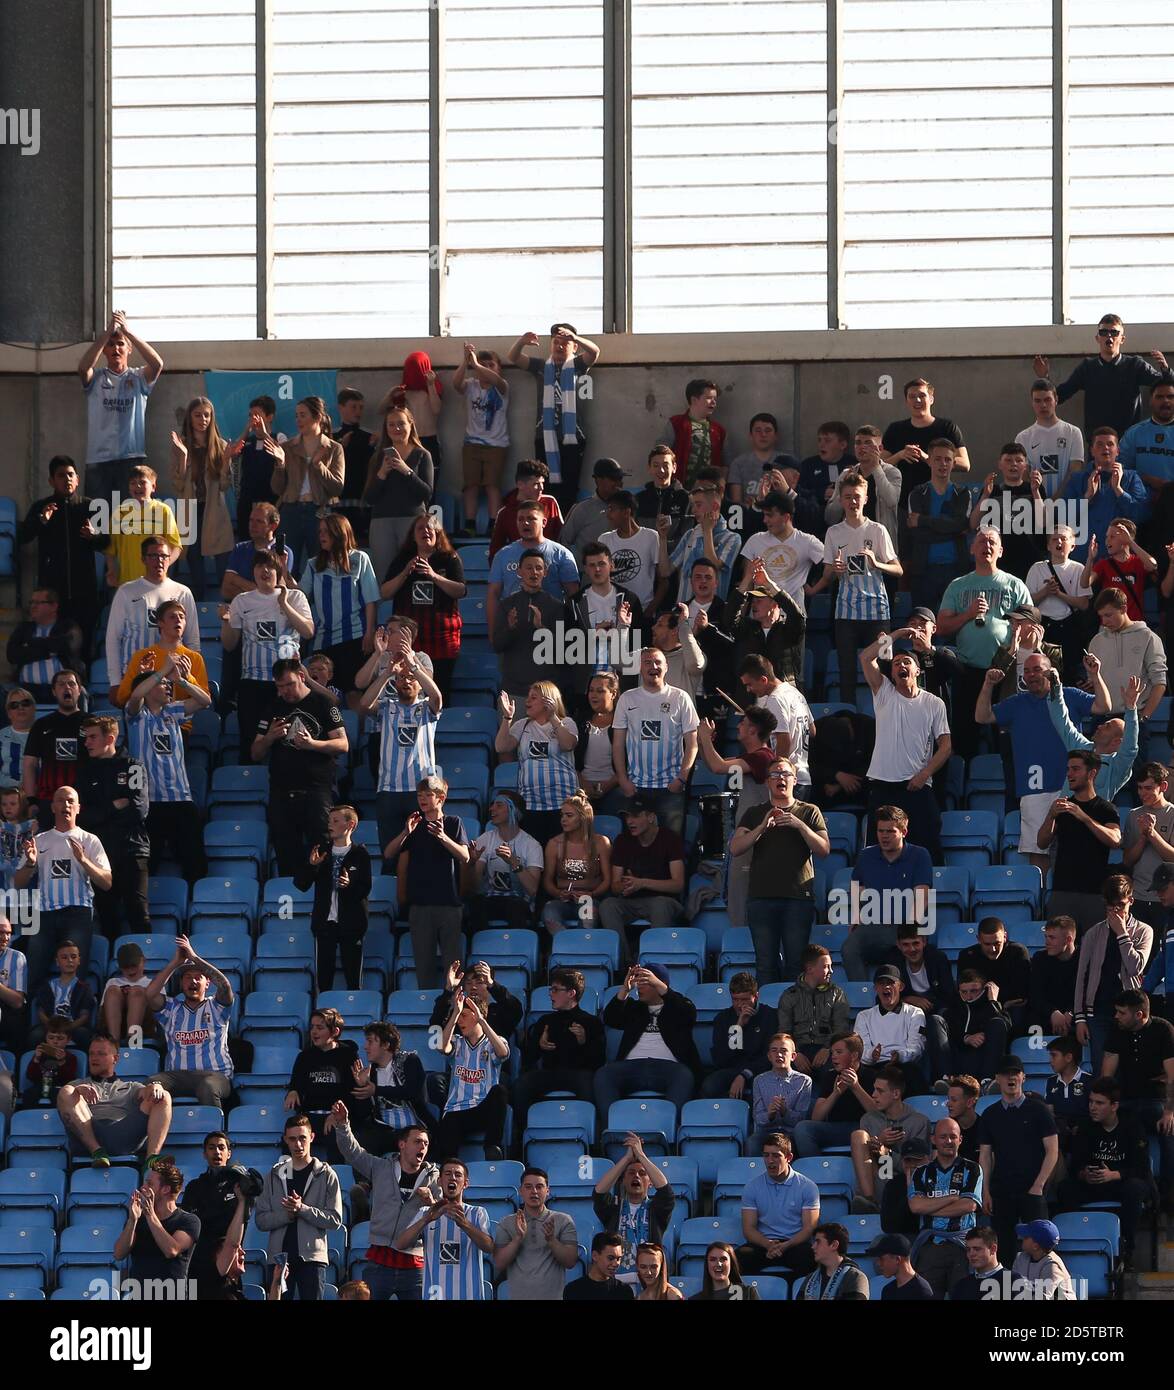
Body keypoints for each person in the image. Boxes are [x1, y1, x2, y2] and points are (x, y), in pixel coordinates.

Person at [731, 756, 829, 984]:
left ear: (795, 780)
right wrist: (762, 828)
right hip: (761, 898)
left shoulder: (809, 811)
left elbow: (824, 849)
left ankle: (796, 1017)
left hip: (797, 899)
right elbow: (735, 848)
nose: (780, 779)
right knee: (765, 964)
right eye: (774, 775)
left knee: (797, 964)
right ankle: (767, 1015)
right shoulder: (755, 812)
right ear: (767, 782)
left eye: (785, 774)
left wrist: (799, 825)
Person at [936, 528, 1033, 760]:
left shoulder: (1015, 584)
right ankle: (965, 787)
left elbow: (1032, 624)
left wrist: (1021, 631)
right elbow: (941, 628)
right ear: (972, 548)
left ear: (1000, 551)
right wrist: (968, 614)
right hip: (968, 670)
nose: (986, 546)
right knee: (965, 734)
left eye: (992, 542)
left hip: (1005, 670)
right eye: (981, 541)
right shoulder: (958, 585)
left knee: (1005, 735)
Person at [805, 470, 901, 704]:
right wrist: (834, 571)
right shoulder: (834, 532)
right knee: (846, 671)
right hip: (845, 613)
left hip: (878, 612)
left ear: (866, 498)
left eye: (857, 496)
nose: (852, 501)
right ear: (841, 499)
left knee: (885, 665)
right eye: (847, 497)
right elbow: (828, 574)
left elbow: (898, 569)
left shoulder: (877, 530)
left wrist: (876, 563)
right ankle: (849, 721)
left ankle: (886, 714)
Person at [253, 658, 348, 877]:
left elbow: (343, 744)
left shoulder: (323, 703)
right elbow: (256, 752)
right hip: (281, 792)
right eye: (279, 686)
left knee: (323, 850)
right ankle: (292, 902)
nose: (285, 691)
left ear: (301, 677)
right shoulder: (274, 707)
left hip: (316, 790)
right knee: (287, 854)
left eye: (289, 684)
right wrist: (269, 738)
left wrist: (312, 744)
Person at [331, 1109, 438, 1301]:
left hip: (415, 1268)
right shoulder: (381, 1167)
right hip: (379, 1263)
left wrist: (432, 1202)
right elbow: (353, 1152)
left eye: (426, 1143)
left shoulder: (434, 1179)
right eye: (417, 1141)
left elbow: (443, 1215)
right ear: (402, 1145)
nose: (423, 1146)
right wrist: (342, 1125)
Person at [12, 785, 111, 987]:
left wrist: (83, 860)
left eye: (70, 801)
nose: (66, 804)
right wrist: (31, 863)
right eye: (60, 800)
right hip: (45, 914)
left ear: (78, 808)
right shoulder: (39, 840)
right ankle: (27, 1016)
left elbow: (107, 883)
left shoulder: (90, 840)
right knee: (32, 974)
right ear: (52, 807)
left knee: (75, 976)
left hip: (78, 913)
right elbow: (17, 883)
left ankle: (72, 1018)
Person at [221, 548, 315, 755]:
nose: (265, 571)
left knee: (290, 746)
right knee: (251, 743)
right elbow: (229, 645)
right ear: (253, 571)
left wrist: (284, 604)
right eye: (259, 566)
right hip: (252, 683)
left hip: (287, 683)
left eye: (270, 566)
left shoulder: (296, 597)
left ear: (279, 570)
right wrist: (226, 622)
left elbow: (308, 632)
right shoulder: (242, 600)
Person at [124, 661, 210, 886]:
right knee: (147, 866)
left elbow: (205, 701)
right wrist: (163, 669)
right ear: (149, 688)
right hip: (150, 803)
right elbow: (135, 696)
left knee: (194, 863)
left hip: (181, 799)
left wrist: (179, 679)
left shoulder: (174, 711)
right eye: (162, 684)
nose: (168, 687)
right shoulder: (136, 717)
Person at [1058, 1077, 1153, 1262]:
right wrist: (1084, 1174)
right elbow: (1076, 1164)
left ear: (1114, 1106)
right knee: (1065, 1189)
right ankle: (1078, 1241)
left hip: (1121, 1183)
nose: (1093, 1107)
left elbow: (1141, 1167)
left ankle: (1126, 1247)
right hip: (1094, 1184)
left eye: (1099, 1103)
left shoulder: (1132, 1126)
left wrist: (1114, 1175)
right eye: (1091, 1102)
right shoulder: (1085, 1127)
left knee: (1135, 1189)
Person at [388, 776, 471, 990]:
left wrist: (443, 837)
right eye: (419, 795)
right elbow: (389, 853)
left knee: (453, 964)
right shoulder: (414, 825)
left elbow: (465, 856)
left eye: (428, 795)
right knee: (423, 965)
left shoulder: (453, 822)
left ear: (441, 798)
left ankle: (455, 1007)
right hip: (420, 905)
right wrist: (406, 832)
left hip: (449, 904)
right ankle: (427, 1009)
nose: (422, 799)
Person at [508, 323, 601, 510]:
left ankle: (565, 526)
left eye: (565, 342)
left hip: (573, 436)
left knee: (569, 487)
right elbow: (514, 357)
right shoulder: (542, 367)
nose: (559, 346)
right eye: (556, 342)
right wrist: (521, 342)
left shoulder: (577, 365)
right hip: (544, 436)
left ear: (574, 347)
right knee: (545, 484)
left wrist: (576, 338)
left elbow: (594, 352)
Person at [1033, 312, 1169, 438]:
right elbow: (1061, 395)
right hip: (1097, 443)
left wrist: (1166, 370)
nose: (1109, 337)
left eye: (1114, 333)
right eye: (1104, 332)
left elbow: (1166, 387)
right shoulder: (1087, 368)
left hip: (1129, 441)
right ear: (1097, 338)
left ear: (1122, 339)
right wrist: (1045, 378)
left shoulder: (1135, 365)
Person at [254, 1113, 344, 1301]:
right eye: (292, 1139)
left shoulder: (327, 1174)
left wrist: (302, 1209)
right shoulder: (273, 1175)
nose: (298, 1144)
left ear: (312, 1137)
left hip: (312, 1260)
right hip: (279, 1259)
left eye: (302, 1138)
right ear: (286, 1140)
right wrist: (287, 1215)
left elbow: (335, 1219)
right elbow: (261, 1220)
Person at [76, 310, 164, 502]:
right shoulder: (97, 378)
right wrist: (107, 333)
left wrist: (127, 331)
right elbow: (83, 368)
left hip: (130, 459)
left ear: (129, 349)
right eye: (111, 345)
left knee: (129, 517)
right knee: (97, 521)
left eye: (121, 344)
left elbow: (157, 364)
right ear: (104, 350)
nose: (116, 349)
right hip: (99, 461)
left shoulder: (139, 377)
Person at [611, 646, 699, 837]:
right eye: (648, 662)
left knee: (672, 844)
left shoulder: (681, 698)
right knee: (636, 845)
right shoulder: (627, 699)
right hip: (636, 786)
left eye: (658, 662)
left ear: (666, 667)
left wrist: (681, 779)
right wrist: (623, 780)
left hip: (671, 786)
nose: (653, 666)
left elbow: (692, 744)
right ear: (640, 668)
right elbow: (617, 745)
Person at [76, 714, 150, 938]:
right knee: (107, 918)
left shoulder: (132, 767)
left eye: (92, 737)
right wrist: (114, 806)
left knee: (138, 913)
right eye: (86, 737)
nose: (86, 742)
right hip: (100, 855)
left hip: (131, 850)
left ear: (110, 738)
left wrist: (101, 813)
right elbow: (82, 817)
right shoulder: (85, 771)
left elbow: (138, 810)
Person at [977, 1055, 1059, 1257]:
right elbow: (986, 1156)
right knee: (1002, 1248)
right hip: (1002, 1190)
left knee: (1041, 1246)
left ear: (1024, 1077)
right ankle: (1007, 1288)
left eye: (1015, 1073)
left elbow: (1052, 1150)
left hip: (1033, 1189)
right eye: (1006, 1074)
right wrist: (985, 1191)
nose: (1010, 1078)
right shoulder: (989, 1114)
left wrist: (1039, 1185)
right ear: (997, 1078)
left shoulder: (1039, 1110)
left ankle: (1042, 1288)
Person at [594, 963, 699, 1117]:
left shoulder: (677, 1007)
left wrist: (659, 984)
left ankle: (669, 1128)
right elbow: (610, 1019)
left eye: (645, 982)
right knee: (603, 1075)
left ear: (660, 984)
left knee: (684, 1075)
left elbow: (689, 1014)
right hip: (631, 1067)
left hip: (668, 1068)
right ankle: (613, 1129)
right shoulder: (634, 1008)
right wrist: (624, 990)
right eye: (638, 983)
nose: (639, 988)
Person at [380, 514, 466, 701]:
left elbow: (460, 590)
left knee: (439, 691)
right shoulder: (403, 559)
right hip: (410, 639)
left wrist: (434, 576)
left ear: (437, 534)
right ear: (413, 535)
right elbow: (385, 592)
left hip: (441, 639)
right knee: (409, 688)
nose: (425, 531)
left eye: (430, 528)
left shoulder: (449, 558)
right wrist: (404, 573)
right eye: (420, 528)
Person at [842, 805, 934, 980]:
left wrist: (911, 927)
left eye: (890, 831)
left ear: (904, 832)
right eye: (880, 831)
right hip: (873, 924)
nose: (884, 836)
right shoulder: (866, 855)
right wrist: (856, 915)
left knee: (902, 950)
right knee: (849, 948)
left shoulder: (920, 855)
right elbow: (858, 886)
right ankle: (862, 995)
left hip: (903, 924)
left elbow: (922, 892)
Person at [1073, 878, 1154, 1075]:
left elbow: (1136, 967)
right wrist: (1080, 1018)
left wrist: (1122, 933)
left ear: (1131, 901)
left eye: (1121, 905)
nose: (1116, 911)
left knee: (1131, 1067)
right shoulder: (1094, 933)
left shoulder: (1144, 931)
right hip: (1099, 1011)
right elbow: (1081, 976)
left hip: (1130, 1011)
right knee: (1102, 1069)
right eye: (1111, 906)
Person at [1100, 990, 1174, 1205]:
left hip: (1157, 1100)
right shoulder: (1117, 1030)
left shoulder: (1164, 1030)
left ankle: (1168, 1196)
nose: (1116, 1016)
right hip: (1128, 1101)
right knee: (1127, 1136)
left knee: (1169, 1133)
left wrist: (1170, 1112)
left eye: (1122, 1013)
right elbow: (1107, 1076)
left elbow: (1172, 1077)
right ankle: (1146, 1193)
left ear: (1139, 1015)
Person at [57, 1032, 172, 1169]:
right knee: (66, 1091)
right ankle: (97, 1151)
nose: (94, 1058)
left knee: (162, 1096)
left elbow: (148, 1092)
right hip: (90, 1135)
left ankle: (151, 1160)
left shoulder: (130, 1086)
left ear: (115, 1058)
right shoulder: (79, 1084)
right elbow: (66, 1097)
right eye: (92, 1053)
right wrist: (78, 1091)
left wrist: (156, 1085)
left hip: (122, 1134)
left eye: (101, 1054)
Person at [1038, 753, 1124, 933]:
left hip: (1094, 893)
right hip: (1062, 891)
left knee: (1094, 949)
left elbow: (1115, 840)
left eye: (1076, 769)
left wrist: (1084, 817)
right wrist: (1051, 816)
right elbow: (1041, 842)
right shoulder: (1063, 807)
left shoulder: (1105, 809)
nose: (1070, 774)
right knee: (1059, 947)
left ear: (1092, 774)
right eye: (1068, 769)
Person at [145, 934, 234, 1108]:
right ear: (181, 983)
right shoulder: (171, 1009)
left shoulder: (217, 1006)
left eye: (198, 977)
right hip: (177, 1076)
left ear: (207, 983)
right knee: (152, 1083)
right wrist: (175, 963)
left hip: (214, 1075)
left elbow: (225, 985)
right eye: (187, 977)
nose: (192, 981)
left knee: (207, 1087)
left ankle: (214, 1134)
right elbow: (149, 995)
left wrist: (193, 958)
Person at [514, 968, 606, 1133]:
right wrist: (538, 1045)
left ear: (571, 993)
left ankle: (592, 1137)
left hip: (579, 1073)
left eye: (555, 990)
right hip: (550, 1072)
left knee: (589, 1085)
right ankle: (522, 1136)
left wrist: (583, 1041)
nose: (550, 994)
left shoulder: (591, 1022)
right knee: (522, 1084)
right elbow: (529, 1058)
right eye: (551, 989)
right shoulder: (545, 1021)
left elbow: (598, 1061)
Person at [300, 513, 380, 700]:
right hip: (324, 640)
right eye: (320, 531)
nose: (321, 536)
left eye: (326, 531)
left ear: (340, 533)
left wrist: (369, 632)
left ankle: (355, 730)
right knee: (325, 698)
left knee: (353, 696)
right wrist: (284, 574)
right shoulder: (313, 564)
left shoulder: (360, 559)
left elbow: (370, 600)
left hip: (355, 638)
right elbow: (300, 595)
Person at [105, 539, 200, 697]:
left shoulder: (183, 592)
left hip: (172, 679)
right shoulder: (126, 591)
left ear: (170, 558)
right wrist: (115, 681)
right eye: (153, 555)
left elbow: (192, 640)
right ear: (143, 559)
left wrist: (191, 678)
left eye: (163, 556)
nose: (159, 560)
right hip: (136, 677)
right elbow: (113, 638)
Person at [293, 804, 371, 992]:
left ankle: (355, 1012)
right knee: (324, 978)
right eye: (329, 820)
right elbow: (301, 884)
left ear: (350, 824)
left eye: (336, 821)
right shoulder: (321, 850)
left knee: (353, 978)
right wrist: (312, 866)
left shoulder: (360, 853)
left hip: (352, 924)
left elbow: (364, 889)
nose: (330, 824)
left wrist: (349, 885)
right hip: (324, 923)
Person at [396, 1156, 494, 1301]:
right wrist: (427, 1219)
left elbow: (489, 1247)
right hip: (435, 1296)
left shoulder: (477, 1213)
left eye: (458, 1175)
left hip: (469, 1295)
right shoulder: (425, 1212)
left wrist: (464, 1224)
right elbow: (401, 1244)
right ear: (440, 1181)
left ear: (465, 1183)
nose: (452, 1178)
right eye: (447, 1174)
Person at [495, 682, 580, 846]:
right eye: (528, 697)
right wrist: (507, 718)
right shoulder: (523, 724)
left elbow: (568, 744)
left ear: (549, 700)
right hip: (532, 805)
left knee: (562, 853)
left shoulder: (566, 722)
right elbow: (501, 747)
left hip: (563, 805)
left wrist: (553, 717)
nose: (527, 701)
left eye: (533, 698)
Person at [908, 1117, 983, 1298]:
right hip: (930, 1245)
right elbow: (915, 1206)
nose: (948, 1141)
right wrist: (951, 1198)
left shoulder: (972, 1169)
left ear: (960, 1139)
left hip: (963, 1246)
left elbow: (969, 1205)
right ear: (933, 1140)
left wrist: (930, 1208)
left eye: (952, 1136)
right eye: (943, 1137)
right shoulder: (921, 1172)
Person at [272, 395, 345, 577]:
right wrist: (280, 465)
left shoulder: (334, 448)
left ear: (317, 417)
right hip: (290, 510)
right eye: (296, 416)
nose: (298, 420)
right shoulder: (288, 447)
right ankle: (286, 603)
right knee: (286, 566)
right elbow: (277, 489)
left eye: (303, 415)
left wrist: (318, 465)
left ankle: (316, 604)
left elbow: (337, 487)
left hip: (319, 512)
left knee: (320, 564)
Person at [170, 396, 234, 599]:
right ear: (189, 417)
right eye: (198, 415)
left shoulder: (220, 445)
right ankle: (198, 602)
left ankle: (227, 604)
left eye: (207, 415)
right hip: (189, 509)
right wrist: (183, 457)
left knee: (222, 555)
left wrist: (225, 463)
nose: (203, 419)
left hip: (213, 509)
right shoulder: (181, 445)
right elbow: (178, 485)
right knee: (193, 556)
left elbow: (224, 485)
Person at [179, 1132, 256, 1300]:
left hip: (227, 1263)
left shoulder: (239, 1185)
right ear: (204, 1153)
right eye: (211, 1147)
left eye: (222, 1147)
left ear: (229, 1153)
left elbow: (244, 1216)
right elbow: (189, 1224)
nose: (217, 1152)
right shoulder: (194, 1187)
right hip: (197, 1263)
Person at [437, 987, 511, 1161]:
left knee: (500, 1091)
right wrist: (455, 1013)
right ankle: (449, 1165)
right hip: (458, 1110)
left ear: (477, 1016)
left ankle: (492, 1147)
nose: (460, 1021)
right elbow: (442, 1047)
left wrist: (482, 1021)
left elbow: (502, 1053)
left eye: (464, 1015)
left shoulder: (493, 1041)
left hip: (483, 1108)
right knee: (448, 1122)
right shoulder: (457, 1042)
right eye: (459, 1016)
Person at [591, 1131, 676, 1277]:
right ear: (623, 1181)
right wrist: (626, 1158)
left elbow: (666, 1193)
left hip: (649, 1280)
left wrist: (641, 1155)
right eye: (631, 1173)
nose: (636, 1176)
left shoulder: (656, 1208)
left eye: (642, 1173)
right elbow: (599, 1193)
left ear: (650, 1183)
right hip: (617, 1279)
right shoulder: (614, 1208)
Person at [113, 1159, 200, 1294]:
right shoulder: (138, 1219)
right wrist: (132, 1220)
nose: (143, 1187)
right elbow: (119, 1254)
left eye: (149, 1183)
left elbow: (171, 1250)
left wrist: (150, 1215)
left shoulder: (188, 1220)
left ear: (165, 1189)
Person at [1062, 427, 1148, 562]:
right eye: (1100, 444)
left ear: (1118, 450)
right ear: (1092, 451)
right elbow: (1063, 516)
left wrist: (1119, 491)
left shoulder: (1132, 478)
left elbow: (1142, 515)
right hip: (1083, 556)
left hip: (1119, 558)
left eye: (1110, 444)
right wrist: (1087, 497)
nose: (1105, 448)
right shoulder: (1078, 479)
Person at [904, 439, 971, 612]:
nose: (943, 464)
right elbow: (918, 534)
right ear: (930, 461)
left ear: (953, 463)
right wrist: (953, 530)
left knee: (955, 625)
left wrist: (925, 521)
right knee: (924, 625)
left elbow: (963, 524)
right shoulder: (917, 493)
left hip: (956, 570)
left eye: (947, 460)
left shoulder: (962, 493)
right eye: (938, 459)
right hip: (924, 571)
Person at [739, 1131, 819, 1275]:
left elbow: (808, 1229)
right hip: (764, 1243)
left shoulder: (807, 1186)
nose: (770, 1161)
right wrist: (768, 1244)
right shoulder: (752, 1187)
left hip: (794, 1243)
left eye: (776, 1156)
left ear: (789, 1157)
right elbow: (748, 1229)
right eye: (766, 1155)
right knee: (740, 1257)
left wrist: (786, 1245)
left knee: (809, 1257)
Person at [881, 376, 971, 506]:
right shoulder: (895, 429)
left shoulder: (947, 428)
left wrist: (929, 458)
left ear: (931, 399)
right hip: (904, 502)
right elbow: (879, 465)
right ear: (906, 401)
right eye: (912, 396)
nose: (917, 400)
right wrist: (900, 455)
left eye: (922, 395)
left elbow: (965, 464)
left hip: (941, 500)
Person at [493, 1167, 578, 1299]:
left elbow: (571, 1261)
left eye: (539, 1187)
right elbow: (499, 1263)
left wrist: (551, 1240)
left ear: (548, 1191)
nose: (534, 1191)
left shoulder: (563, 1220)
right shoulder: (507, 1222)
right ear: (521, 1191)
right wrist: (518, 1238)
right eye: (528, 1187)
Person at [21, 668, 90, 831]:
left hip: (84, 801)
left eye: (71, 684)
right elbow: (30, 764)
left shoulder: (92, 723)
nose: (67, 687)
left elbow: (103, 760)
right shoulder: (41, 725)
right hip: (48, 801)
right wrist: (31, 800)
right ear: (54, 691)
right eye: (61, 684)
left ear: (79, 690)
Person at [466, 790, 544, 932]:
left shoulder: (531, 845)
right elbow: (473, 888)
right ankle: (480, 949)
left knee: (516, 907)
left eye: (499, 805)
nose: (491, 809)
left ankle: (515, 950)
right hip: (490, 899)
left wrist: (514, 862)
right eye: (492, 805)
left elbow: (532, 890)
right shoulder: (485, 839)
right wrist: (471, 863)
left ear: (514, 811)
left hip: (519, 902)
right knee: (476, 904)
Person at [111, 600, 210, 710]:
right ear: (160, 623)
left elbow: (205, 701)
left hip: (182, 724)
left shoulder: (194, 658)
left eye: (182, 617)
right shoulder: (142, 657)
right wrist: (142, 678)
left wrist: (188, 679)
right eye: (172, 617)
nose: (178, 620)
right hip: (148, 721)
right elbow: (122, 698)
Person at [967, 443, 1047, 580]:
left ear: (1025, 465)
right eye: (1008, 460)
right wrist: (986, 494)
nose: (1013, 464)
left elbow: (1045, 522)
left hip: (1032, 559)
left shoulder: (1035, 489)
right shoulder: (993, 491)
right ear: (1000, 464)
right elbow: (973, 524)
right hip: (1000, 560)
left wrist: (1035, 491)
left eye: (1019, 460)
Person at [1088, 586, 1167, 722]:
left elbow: (1159, 682)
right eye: (1101, 616)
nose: (1104, 621)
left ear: (1124, 609)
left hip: (1135, 717)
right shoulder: (1096, 641)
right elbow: (1093, 683)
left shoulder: (1148, 637)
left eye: (1108, 615)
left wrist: (1144, 717)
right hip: (1102, 719)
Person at [454, 342, 510, 535]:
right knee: (470, 485)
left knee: (492, 485)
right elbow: (456, 384)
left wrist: (477, 365)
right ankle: (470, 524)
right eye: (482, 365)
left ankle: (493, 524)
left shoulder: (502, 388)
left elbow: (494, 380)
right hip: (472, 443)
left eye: (491, 365)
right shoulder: (471, 386)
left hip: (496, 445)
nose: (486, 369)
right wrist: (466, 361)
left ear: (499, 368)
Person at [348, 1022, 428, 1155]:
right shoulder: (371, 1072)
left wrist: (376, 1090)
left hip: (412, 1129)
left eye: (370, 1042)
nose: (365, 1047)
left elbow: (412, 1092)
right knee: (360, 1142)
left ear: (386, 1045)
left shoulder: (409, 1060)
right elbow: (363, 1114)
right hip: (384, 1130)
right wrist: (362, 1086)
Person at [793, 1032, 876, 1158]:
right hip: (835, 1128)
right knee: (803, 1129)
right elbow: (816, 1118)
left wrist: (856, 1087)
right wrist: (836, 1093)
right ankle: (816, 1170)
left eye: (839, 1052)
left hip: (863, 1129)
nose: (833, 1057)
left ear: (854, 1056)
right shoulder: (830, 1076)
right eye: (832, 1053)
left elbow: (877, 1114)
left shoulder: (872, 1076)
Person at [540, 793, 612, 937]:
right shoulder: (554, 844)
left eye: (569, 815)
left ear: (583, 818)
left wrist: (591, 894)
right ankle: (566, 947)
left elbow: (607, 880)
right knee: (549, 913)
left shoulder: (601, 843)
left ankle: (583, 949)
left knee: (588, 915)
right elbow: (547, 880)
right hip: (563, 899)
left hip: (589, 898)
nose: (563, 820)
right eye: (562, 815)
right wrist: (558, 893)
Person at [1026, 525, 1092, 682]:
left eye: (1064, 538)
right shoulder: (1037, 568)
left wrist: (1059, 594)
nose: (1059, 542)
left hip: (1069, 629)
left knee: (1069, 675)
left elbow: (1083, 604)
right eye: (1054, 539)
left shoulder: (1078, 569)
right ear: (1048, 545)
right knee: (1044, 674)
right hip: (1044, 627)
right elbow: (1027, 604)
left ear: (1073, 545)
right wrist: (1045, 591)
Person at [660, 482, 743, 605]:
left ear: (714, 506)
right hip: (684, 611)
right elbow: (665, 571)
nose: (693, 510)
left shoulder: (732, 538)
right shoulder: (690, 534)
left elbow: (712, 567)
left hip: (711, 614)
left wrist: (707, 531)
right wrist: (662, 537)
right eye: (692, 505)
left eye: (698, 505)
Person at [776, 945, 852, 1074]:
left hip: (827, 1049)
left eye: (830, 966)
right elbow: (784, 1031)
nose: (831, 971)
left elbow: (841, 1028)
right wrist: (795, 1053)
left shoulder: (837, 994)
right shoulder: (789, 995)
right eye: (826, 966)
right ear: (810, 969)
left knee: (834, 1071)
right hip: (798, 1050)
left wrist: (827, 1048)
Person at [704, 971, 778, 1101]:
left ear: (756, 996)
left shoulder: (770, 1016)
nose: (739, 1005)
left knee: (763, 1088)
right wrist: (737, 1028)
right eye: (735, 999)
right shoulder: (723, 1018)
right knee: (709, 1086)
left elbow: (770, 1056)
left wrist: (745, 1074)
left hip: (761, 1071)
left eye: (744, 1000)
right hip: (731, 1069)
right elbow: (721, 1059)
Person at [957, 918, 1032, 1038]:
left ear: (1005, 937)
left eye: (997, 943)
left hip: (1010, 1012)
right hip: (978, 1009)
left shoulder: (1017, 952)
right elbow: (964, 992)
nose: (992, 949)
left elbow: (1021, 993)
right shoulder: (967, 956)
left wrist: (994, 1000)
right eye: (987, 944)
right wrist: (1000, 1002)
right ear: (978, 939)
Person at [938, 968, 1012, 1090]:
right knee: (935, 1020)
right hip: (958, 1063)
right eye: (964, 992)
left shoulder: (993, 1008)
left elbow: (1005, 1027)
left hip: (982, 1061)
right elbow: (949, 1034)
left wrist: (993, 1001)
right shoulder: (952, 1010)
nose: (969, 996)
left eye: (974, 991)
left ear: (984, 989)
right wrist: (966, 1038)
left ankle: (987, 1082)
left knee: (998, 1023)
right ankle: (946, 1079)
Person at [854, 968, 928, 1087]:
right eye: (881, 983)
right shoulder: (863, 1016)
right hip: (874, 1067)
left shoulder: (915, 1013)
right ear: (875, 988)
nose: (886, 987)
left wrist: (900, 1055)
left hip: (902, 1066)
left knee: (911, 1072)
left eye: (891, 983)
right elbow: (862, 1051)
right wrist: (872, 1055)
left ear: (901, 986)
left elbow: (917, 1047)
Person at [7, 589, 86, 702]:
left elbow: (66, 646)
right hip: (27, 690)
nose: (33, 606)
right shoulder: (24, 628)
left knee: (81, 693)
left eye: (38, 602)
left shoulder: (68, 626)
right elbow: (12, 655)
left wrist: (31, 645)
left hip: (60, 690)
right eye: (31, 602)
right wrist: (49, 651)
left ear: (54, 606)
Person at [1123, 762, 1174, 929]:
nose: (1143, 793)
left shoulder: (1172, 814)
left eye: (1148, 788)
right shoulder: (1133, 816)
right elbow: (1127, 861)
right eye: (1140, 788)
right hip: (1138, 898)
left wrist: (1152, 833)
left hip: (1166, 900)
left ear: (1163, 786)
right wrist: (1143, 839)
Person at [1016, 378, 1086, 498]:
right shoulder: (1023, 437)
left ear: (1056, 400)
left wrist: (1055, 500)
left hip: (1067, 506)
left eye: (1047, 400)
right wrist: (1039, 500)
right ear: (1032, 403)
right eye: (1037, 401)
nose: (1043, 405)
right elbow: (1023, 475)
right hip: (1035, 506)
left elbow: (1075, 471)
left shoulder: (1073, 432)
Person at [1083, 518, 1158, 622]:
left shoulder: (1138, 562)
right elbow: (1084, 584)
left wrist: (1130, 542)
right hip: (1109, 626)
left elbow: (1153, 565)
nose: (1107, 540)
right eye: (1107, 537)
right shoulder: (1104, 564)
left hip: (1134, 625)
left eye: (1112, 537)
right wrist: (1090, 559)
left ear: (1126, 538)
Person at [748, 1033, 812, 1153]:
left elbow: (801, 1119)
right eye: (774, 1050)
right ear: (769, 1056)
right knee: (752, 1141)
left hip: (791, 1133)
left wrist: (785, 1112)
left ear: (793, 1056)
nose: (779, 1054)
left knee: (801, 1141)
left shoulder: (804, 1081)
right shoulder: (759, 1081)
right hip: (767, 1133)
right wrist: (769, 1115)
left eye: (783, 1051)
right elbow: (758, 1117)